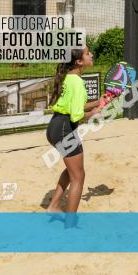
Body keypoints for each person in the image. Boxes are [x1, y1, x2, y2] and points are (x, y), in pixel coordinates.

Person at [45, 46, 103, 214]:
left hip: (55, 127)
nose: (91, 55)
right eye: (87, 53)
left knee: (72, 170)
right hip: (65, 130)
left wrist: (97, 102)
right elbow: (76, 116)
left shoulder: (68, 78)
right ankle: (70, 225)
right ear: (79, 61)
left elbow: (74, 107)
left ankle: (53, 206)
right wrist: (92, 114)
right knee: (79, 177)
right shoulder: (77, 81)